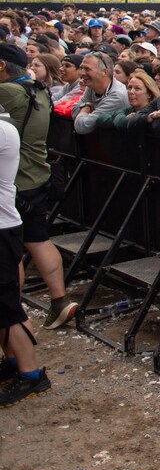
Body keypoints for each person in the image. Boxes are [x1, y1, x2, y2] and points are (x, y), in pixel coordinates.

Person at [0, 44, 76, 329]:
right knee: (38, 239)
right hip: (37, 174)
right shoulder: (40, 89)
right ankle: (60, 301)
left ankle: (11, 309)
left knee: (11, 248)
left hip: (13, 181)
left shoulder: (8, 92)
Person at [0, 116, 51, 406]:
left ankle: (30, 374)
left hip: (3, 227)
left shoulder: (3, 130)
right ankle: (13, 360)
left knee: (6, 304)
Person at [70, 51, 128, 135]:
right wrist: (87, 109)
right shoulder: (92, 86)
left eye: (87, 69)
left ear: (104, 72)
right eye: (81, 68)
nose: (82, 73)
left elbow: (82, 127)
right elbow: (74, 111)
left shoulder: (117, 95)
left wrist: (85, 107)